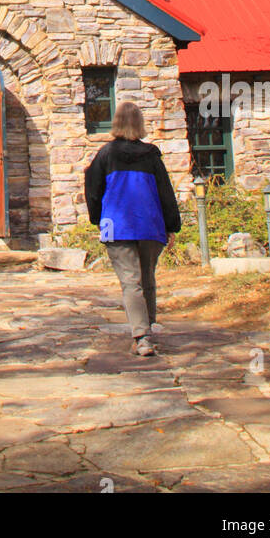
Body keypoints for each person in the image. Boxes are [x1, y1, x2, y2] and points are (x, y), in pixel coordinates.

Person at [84, 100, 181, 357]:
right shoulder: (151, 155)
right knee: (147, 278)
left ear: (116, 123)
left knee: (131, 282)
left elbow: (93, 190)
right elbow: (165, 193)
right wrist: (172, 226)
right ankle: (147, 330)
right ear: (140, 124)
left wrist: (97, 219)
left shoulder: (105, 154)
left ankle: (141, 336)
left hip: (117, 225)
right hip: (150, 224)